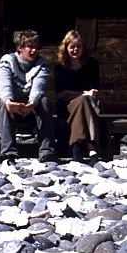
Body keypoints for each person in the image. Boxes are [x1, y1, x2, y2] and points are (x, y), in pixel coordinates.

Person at [0, 30, 56, 162]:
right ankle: (8, 152)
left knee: (44, 102)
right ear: (20, 48)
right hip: (13, 101)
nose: (33, 50)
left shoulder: (41, 63)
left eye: (35, 47)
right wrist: (9, 102)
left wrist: (31, 103)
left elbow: (38, 86)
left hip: (31, 104)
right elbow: (4, 83)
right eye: (30, 47)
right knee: (1, 102)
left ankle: (47, 151)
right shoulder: (7, 60)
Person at [54, 30, 101, 161]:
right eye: (72, 47)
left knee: (83, 103)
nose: (75, 50)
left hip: (89, 105)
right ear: (66, 48)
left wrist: (80, 95)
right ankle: (91, 149)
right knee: (82, 101)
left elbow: (94, 90)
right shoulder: (60, 68)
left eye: (78, 46)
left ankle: (76, 148)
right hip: (66, 106)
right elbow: (60, 95)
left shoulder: (91, 64)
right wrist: (82, 94)